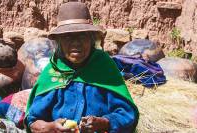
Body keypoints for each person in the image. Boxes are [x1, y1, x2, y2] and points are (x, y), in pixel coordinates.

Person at [25, 2, 139, 133]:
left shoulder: (104, 67)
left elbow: (128, 115)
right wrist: (51, 127)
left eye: (82, 36)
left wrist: (105, 122)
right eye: (68, 37)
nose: (76, 43)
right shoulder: (53, 72)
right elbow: (33, 121)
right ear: (59, 42)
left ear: (91, 40)